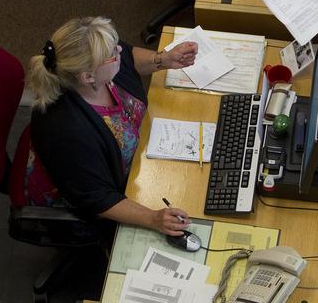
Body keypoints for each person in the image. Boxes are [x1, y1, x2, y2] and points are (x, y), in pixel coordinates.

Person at [25, 16, 199, 240]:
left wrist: (163, 59)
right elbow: (97, 198)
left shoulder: (99, 73)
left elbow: (128, 55)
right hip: (88, 195)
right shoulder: (67, 132)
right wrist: (154, 219)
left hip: (137, 156)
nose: (119, 50)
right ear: (87, 76)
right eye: (112, 54)